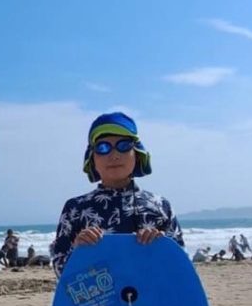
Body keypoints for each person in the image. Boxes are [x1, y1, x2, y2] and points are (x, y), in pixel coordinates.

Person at [50, 112, 184, 277]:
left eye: (123, 145)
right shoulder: (75, 209)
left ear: (137, 153)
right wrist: (78, 251)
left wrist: (163, 246)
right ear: (92, 158)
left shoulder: (160, 206)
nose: (114, 156)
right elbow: (60, 272)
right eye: (103, 147)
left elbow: (182, 268)